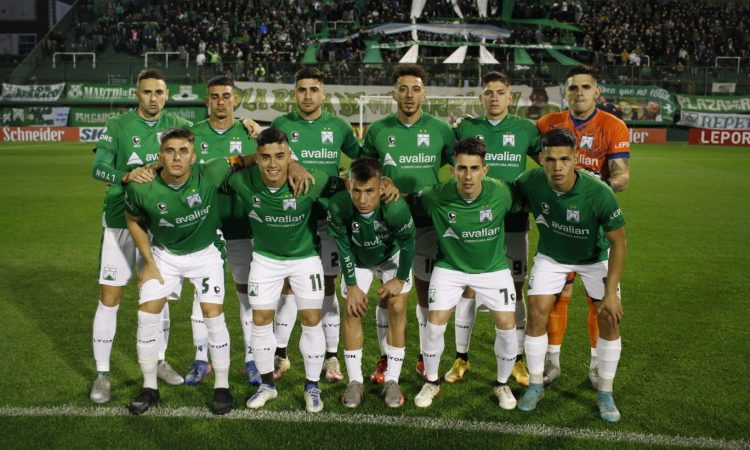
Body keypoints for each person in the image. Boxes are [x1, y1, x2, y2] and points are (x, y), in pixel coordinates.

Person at [123, 128, 255, 415]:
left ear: (194, 156)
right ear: (160, 157)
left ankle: (222, 387)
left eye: (183, 151)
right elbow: (132, 219)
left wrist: (290, 163)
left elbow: (248, 159)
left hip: (206, 255)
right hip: (165, 256)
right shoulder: (141, 187)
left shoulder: (212, 170)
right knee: (147, 314)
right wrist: (149, 263)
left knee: (213, 315)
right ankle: (149, 387)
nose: (177, 157)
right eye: (170, 151)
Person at [89, 68, 190, 404]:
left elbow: (205, 145)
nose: (153, 98)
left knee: (157, 296)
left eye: (159, 92)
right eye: (147, 92)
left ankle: (158, 361)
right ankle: (102, 374)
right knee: (110, 297)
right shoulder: (118, 126)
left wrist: (250, 124)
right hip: (120, 219)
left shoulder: (176, 124)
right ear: (137, 94)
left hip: (160, 222)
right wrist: (125, 174)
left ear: (166, 94)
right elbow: (98, 167)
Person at [228, 127, 344, 413]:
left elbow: (346, 187)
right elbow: (212, 170)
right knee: (260, 320)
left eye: (280, 156)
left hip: (305, 259)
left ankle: (312, 387)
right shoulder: (243, 180)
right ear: (257, 157)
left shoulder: (310, 180)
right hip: (265, 260)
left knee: (311, 319)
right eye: (265, 157)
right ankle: (268, 385)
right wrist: (243, 161)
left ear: (289, 155)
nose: (273, 164)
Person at [515, 128, 626, 423]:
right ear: (541, 159)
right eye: (550, 160)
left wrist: (612, 293)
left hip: (594, 258)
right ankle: (536, 385)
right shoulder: (530, 181)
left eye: (564, 159)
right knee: (537, 310)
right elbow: (509, 197)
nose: (557, 167)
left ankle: (605, 391)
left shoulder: (598, 193)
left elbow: (619, 243)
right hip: (552, 257)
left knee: (608, 317)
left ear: (576, 158)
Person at [409, 138, 520, 410]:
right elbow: (404, 205)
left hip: (493, 269)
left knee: (507, 326)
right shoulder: (435, 195)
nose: (468, 176)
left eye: (474, 168)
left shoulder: (503, 193)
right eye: (461, 168)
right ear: (452, 170)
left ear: (485, 170)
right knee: (434, 322)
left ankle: (501, 384)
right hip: (450, 268)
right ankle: (432, 382)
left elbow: (535, 196)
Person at [536, 65, 630, 388]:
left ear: (596, 92)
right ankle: (552, 361)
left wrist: (596, 185)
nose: (579, 93)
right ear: (566, 92)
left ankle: (595, 364)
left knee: (598, 301)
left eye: (585, 87)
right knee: (557, 295)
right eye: (573, 88)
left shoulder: (613, 126)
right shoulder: (548, 124)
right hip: (558, 224)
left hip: (593, 226)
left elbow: (622, 175)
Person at [361, 63, 455, 383]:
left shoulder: (441, 131)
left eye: (415, 88)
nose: (409, 95)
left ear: (424, 93)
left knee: (427, 293)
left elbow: (460, 167)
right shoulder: (377, 131)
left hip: (427, 224)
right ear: (394, 94)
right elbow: (364, 172)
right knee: (389, 294)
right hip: (388, 225)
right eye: (403, 88)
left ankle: (423, 356)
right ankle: (387, 358)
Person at [269, 67, 361, 383]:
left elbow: (361, 161)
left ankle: (331, 358)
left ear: (323, 93)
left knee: (329, 284)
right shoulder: (282, 125)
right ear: (294, 94)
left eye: (313, 89)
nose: (307, 95)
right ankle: (280, 355)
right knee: (287, 285)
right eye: (302, 90)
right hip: (292, 216)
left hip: (330, 215)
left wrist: (350, 179)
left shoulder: (339, 126)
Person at [450, 71, 541, 387]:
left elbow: (548, 165)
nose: (494, 98)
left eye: (500, 92)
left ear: (510, 96)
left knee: (515, 288)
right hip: (473, 221)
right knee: (468, 286)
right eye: (488, 92)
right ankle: (461, 357)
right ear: (481, 98)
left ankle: (517, 360)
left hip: (513, 220)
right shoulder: (467, 127)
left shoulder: (527, 129)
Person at [327, 157, 416, 408]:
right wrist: (353, 285)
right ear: (348, 187)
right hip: (358, 257)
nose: (363, 200)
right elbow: (343, 245)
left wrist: (399, 280)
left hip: (391, 257)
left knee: (397, 307)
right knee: (352, 310)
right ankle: (355, 381)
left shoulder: (396, 208)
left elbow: (409, 244)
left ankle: (392, 380)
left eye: (369, 191)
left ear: (382, 187)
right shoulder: (338, 206)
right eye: (357, 191)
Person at [186, 76, 258, 386]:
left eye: (226, 96)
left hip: (243, 225)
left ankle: (252, 359)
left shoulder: (250, 132)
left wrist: (261, 129)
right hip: (205, 229)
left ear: (235, 99)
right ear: (206, 101)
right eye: (214, 96)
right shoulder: (193, 135)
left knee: (247, 294)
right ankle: (201, 359)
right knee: (202, 296)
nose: (220, 101)